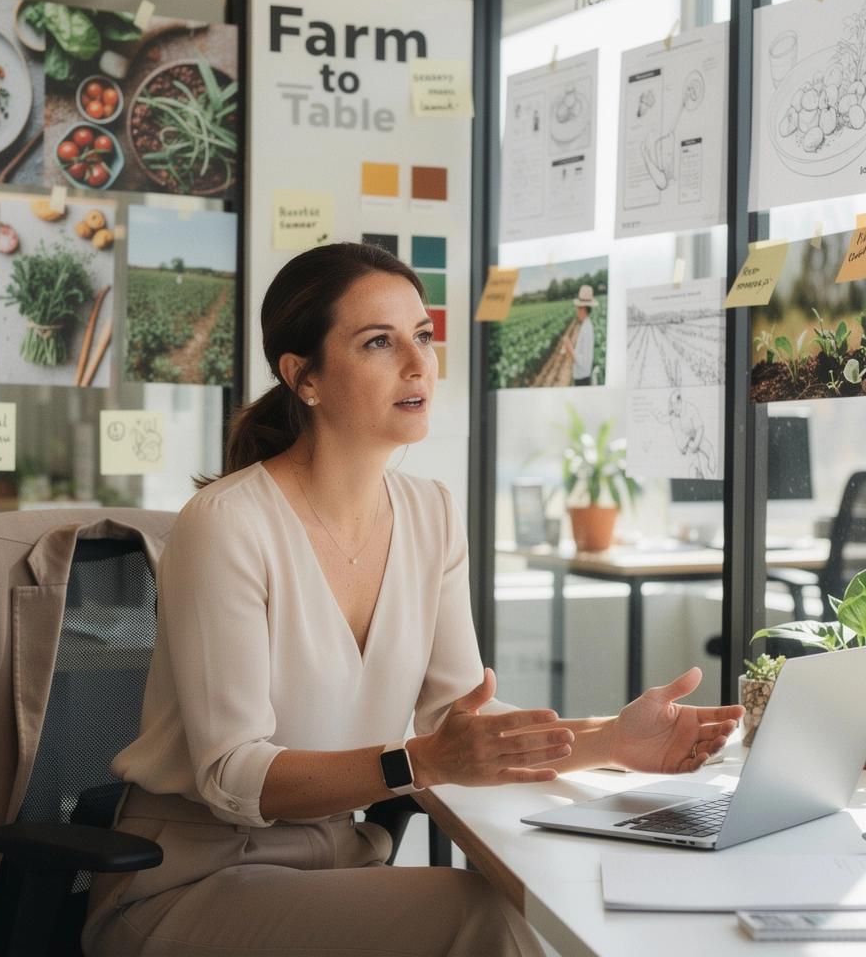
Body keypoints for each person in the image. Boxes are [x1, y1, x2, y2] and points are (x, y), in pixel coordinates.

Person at [82, 242, 742, 957]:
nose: (418, 363)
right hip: (191, 882)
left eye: (422, 336)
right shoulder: (227, 523)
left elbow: (460, 719)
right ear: (303, 377)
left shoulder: (431, 513)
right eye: (378, 342)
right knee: (478, 917)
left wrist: (609, 740)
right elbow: (231, 775)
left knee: (516, 903)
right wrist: (417, 762)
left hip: (338, 861)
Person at [562, 284, 597, 385]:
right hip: (581, 377)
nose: (576, 311)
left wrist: (569, 348)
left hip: (583, 379)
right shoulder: (585, 325)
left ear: (583, 308)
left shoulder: (587, 329)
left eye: (577, 308)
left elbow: (584, 363)